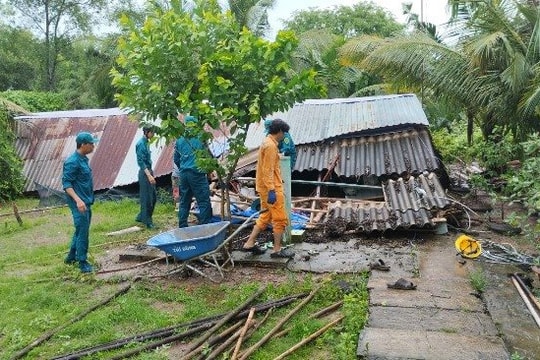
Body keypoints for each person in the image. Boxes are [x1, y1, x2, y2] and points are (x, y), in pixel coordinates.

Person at [242, 119, 295, 258]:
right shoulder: (270, 146)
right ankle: (277, 250)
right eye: (284, 133)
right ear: (279, 132)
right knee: (280, 219)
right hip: (271, 188)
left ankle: (249, 243)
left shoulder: (267, 142)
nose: (284, 136)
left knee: (265, 216)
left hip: (264, 187)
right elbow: (268, 170)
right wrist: (272, 189)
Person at [62, 131, 99, 273]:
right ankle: (82, 262)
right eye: (91, 144)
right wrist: (78, 201)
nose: (93, 146)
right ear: (83, 145)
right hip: (79, 203)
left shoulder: (83, 159)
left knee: (80, 229)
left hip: (86, 201)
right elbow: (67, 185)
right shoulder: (72, 161)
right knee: (83, 231)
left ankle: (71, 256)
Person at [174, 115, 212, 227]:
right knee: (203, 201)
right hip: (197, 173)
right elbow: (207, 156)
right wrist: (209, 171)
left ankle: (182, 226)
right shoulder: (201, 136)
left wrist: (183, 167)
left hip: (184, 174)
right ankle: (206, 227)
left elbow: (176, 158)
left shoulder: (180, 139)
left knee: (184, 201)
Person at [135, 125, 157, 229]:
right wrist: (149, 175)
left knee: (153, 196)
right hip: (145, 173)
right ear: (146, 132)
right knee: (147, 198)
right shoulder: (140, 144)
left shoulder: (146, 142)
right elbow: (141, 162)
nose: (153, 134)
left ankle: (141, 216)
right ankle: (148, 222)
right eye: (152, 132)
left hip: (149, 171)